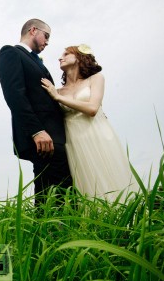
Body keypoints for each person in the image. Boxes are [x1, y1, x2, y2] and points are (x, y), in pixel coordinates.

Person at [41, 44, 138, 202]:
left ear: (79, 57)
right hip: (75, 141)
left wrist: (57, 98)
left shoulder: (96, 78)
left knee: (109, 176)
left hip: (98, 134)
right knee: (87, 184)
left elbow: (93, 108)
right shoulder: (57, 90)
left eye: (66, 54)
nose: (60, 57)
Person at [0, 18, 72, 202]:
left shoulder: (36, 61)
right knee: (53, 193)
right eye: (46, 36)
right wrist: (36, 131)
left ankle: (59, 229)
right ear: (33, 30)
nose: (47, 42)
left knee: (60, 189)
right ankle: (51, 230)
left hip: (54, 135)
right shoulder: (11, 53)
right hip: (42, 136)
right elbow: (15, 95)